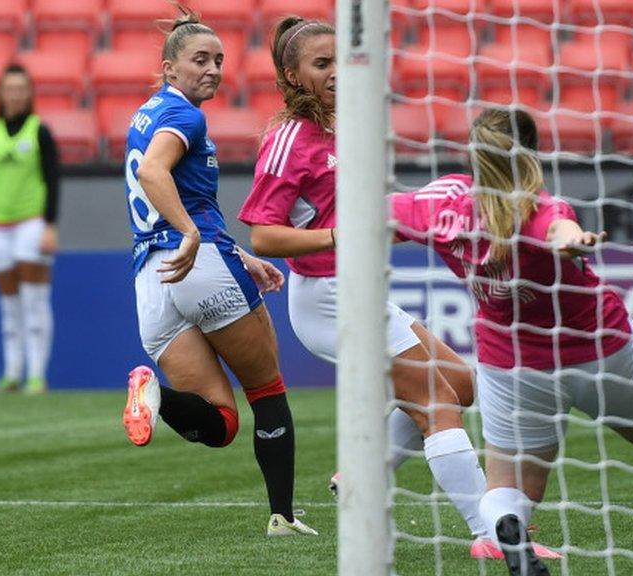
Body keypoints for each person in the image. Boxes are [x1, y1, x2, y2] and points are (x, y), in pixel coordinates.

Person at [237, 16, 558, 559]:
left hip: (358, 288)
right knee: (437, 400)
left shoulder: (346, 125)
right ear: (292, 77)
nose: (337, 72)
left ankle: (361, 475)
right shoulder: (291, 136)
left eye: (341, 59)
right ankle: (492, 536)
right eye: (322, 65)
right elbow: (263, 235)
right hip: (328, 298)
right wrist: (341, 235)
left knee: (458, 382)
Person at [390, 108, 633, 575]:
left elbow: (378, 211)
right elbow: (559, 230)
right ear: (533, 153)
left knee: (509, 485)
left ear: (474, 152)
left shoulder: (440, 204)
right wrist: (575, 241)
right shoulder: (541, 209)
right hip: (597, 348)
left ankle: (508, 527)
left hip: (512, 363)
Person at [120, 6, 316, 537]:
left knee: (221, 424)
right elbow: (154, 172)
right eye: (199, 59)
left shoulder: (147, 111)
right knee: (267, 390)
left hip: (151, 281)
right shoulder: (187, 115)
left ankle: (153, 396)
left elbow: (166, 184)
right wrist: (191, 234)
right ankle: (283, 516)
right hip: (197, 262)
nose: (212, 69)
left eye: (219, 59)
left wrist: (241, 255)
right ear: (169, 68)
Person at [0, 63, 59, 395]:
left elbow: (52, 179)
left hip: (31, 223)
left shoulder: (40, 131)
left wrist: (50, 224)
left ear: (30, 93)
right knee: (9, 306)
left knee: (35, 301)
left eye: (21, 88)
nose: (15, 94)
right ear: (0, 93)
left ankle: (36, 375)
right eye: (10, 88)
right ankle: (11, 372)